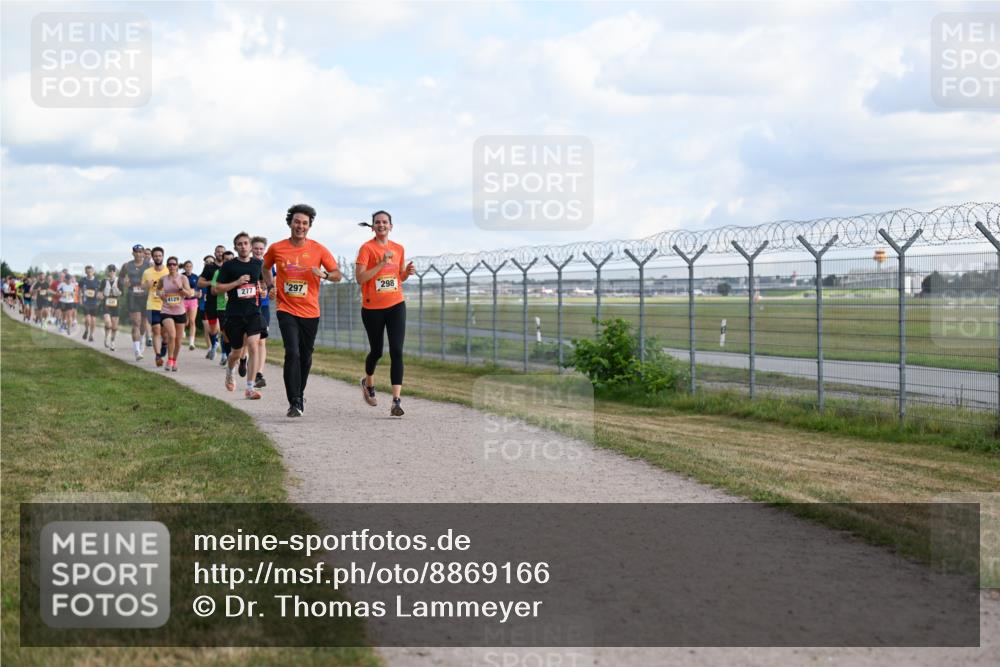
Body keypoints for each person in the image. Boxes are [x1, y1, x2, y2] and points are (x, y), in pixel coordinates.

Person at [263, 203, 341, 417]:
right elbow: (265, 267)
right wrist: (270, 286)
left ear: (309, 226)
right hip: (286, 308)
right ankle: (294, 401)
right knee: (292, 352)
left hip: (310, 311)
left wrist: (324, 275)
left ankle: (299, 393)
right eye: (297, 222)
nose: (300, 226)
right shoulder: (277, 248)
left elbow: (337, 274)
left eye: (305, 223)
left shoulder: (318, 249)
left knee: (305, 356)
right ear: (290, 223)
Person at [356, 210, 415, 416]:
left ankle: (396, 401)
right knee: (377, 351)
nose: (381, 225)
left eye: (385, 222)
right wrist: (381, 263)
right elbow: (360, 278)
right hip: (372, 308)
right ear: (372, 227)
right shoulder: (367, 248)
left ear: (391, 226)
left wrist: (406, 273)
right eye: (377, 222)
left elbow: (398, 277)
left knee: (397, 351)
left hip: (396, 304)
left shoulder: (398, 248)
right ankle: (368, 382)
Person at [214, 232, 264, 399]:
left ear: (250, 246)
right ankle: (230, 371)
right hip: (234, 314)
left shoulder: (258, 264)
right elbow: (217, 289)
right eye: (239, 244)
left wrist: (263, 290)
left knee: (253, 345)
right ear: (235, 247)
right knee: (236, 352)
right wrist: (236, 282)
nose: (243, 246)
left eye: (245, 243)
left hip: (253, 312)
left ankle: (250, 388)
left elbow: (261, 282)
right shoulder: (229, 266)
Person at [157, 256, 195, 371]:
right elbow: (158, 290)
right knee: (172, 335)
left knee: (178, 340)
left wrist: (180, 288)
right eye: (170, 264)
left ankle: (174, 360)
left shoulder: (183, 278)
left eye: (174, 264)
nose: (172, 266)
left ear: (177, 266)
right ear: (167, 266)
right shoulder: (163, 279)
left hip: (180, 311)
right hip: (166, 311)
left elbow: (189, 294)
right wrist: (160, 295)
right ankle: (169, 360)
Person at [141, 247, 170, 367]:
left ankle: (164, 344)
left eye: (160, 255)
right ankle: (158, 355)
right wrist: (147, 285)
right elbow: (142, 287)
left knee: (165, 333)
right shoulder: (147, 272)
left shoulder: (168, 271)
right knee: (156, 330)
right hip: (152, 304)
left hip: (166, 305)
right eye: (156, 256)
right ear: (152, 257)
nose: (158, 258)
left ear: (163, 256)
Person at [123, 244, 151, 361]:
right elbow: (121, 278)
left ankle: (142, 339)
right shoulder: (127, 265)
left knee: (143, 324)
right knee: (136, 322)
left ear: (143, 253)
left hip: (145, 297)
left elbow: (156, 279)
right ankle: (137, 351)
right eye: (136, 252)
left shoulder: (149, 265)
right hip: (132, 297)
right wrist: (124, 282)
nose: (138, 254)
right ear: (133, 253)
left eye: (140, 252)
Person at [250, 236, 272, 388]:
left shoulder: (268, 265)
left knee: (261, 341)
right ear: (251, 249)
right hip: (249, 306)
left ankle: (259, 374)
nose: (258, 251)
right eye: (256, 248)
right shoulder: (247, 264)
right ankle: (244, 360)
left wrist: (267, 290)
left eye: (261, 249)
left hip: (263, 307)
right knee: (251, 342)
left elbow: (272, 283)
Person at [198, 246, 226, 360]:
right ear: (215, 253)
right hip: (211, 301)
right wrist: (212, 282)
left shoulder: (228, 266)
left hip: (225, 301)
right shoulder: (209, 267)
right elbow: (200, 283)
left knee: (225, 329)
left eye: (222, 252)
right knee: (212, 329)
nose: (220, 254)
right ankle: (214, 343)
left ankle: (224, 354)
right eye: (218, 252)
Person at [100, 264, 123, 350]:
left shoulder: (119, 281)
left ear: (115, 271)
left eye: (113, 270)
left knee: (114, 327)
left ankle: (112, 341)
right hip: (106, 304)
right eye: (110, 270)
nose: (112, 272)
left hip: (115, 304)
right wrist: (100, 295)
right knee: (108, 323)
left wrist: (117, 291)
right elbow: (100, 292)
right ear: (107, 272)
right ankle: (106, 338)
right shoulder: (104, 281)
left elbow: (122, 293)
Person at [79, 265, 101, 342]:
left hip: (94, 302)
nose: (89, 273)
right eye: (87, 272)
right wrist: (80, 299)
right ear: (85, 272)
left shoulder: (97, 281)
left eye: (90, 271)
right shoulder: (83, 280)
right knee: (88, 319)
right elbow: (80, 290)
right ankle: (86, 330)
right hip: (86, 302)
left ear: (93, 272)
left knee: (93, 321)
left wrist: (99, 299)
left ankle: (91, 335)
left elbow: (100, 292)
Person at [182, 260, 200, 350]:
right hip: (183, 301)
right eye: (187, 266)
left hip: (193, 300)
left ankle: (191, 343)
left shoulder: (195, 277)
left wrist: (196, 293)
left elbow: (198, 289)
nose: (188, 268)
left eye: (190, 266)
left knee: (192, 321)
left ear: (192, 267)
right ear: (184, 268)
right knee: (185, 321)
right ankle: (182, 331)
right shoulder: (181, 276)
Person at [198, 255, 214, 351]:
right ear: (204, 264)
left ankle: (215, 343)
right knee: (207, 327)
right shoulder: (200, 278)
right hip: (204, 306)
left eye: (211, 262)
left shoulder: (218, 275)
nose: (209, 264)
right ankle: (210, 348)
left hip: (216, 306)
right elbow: (195, 291)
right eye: (207, 262)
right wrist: (197, 294)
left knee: (217, 328)